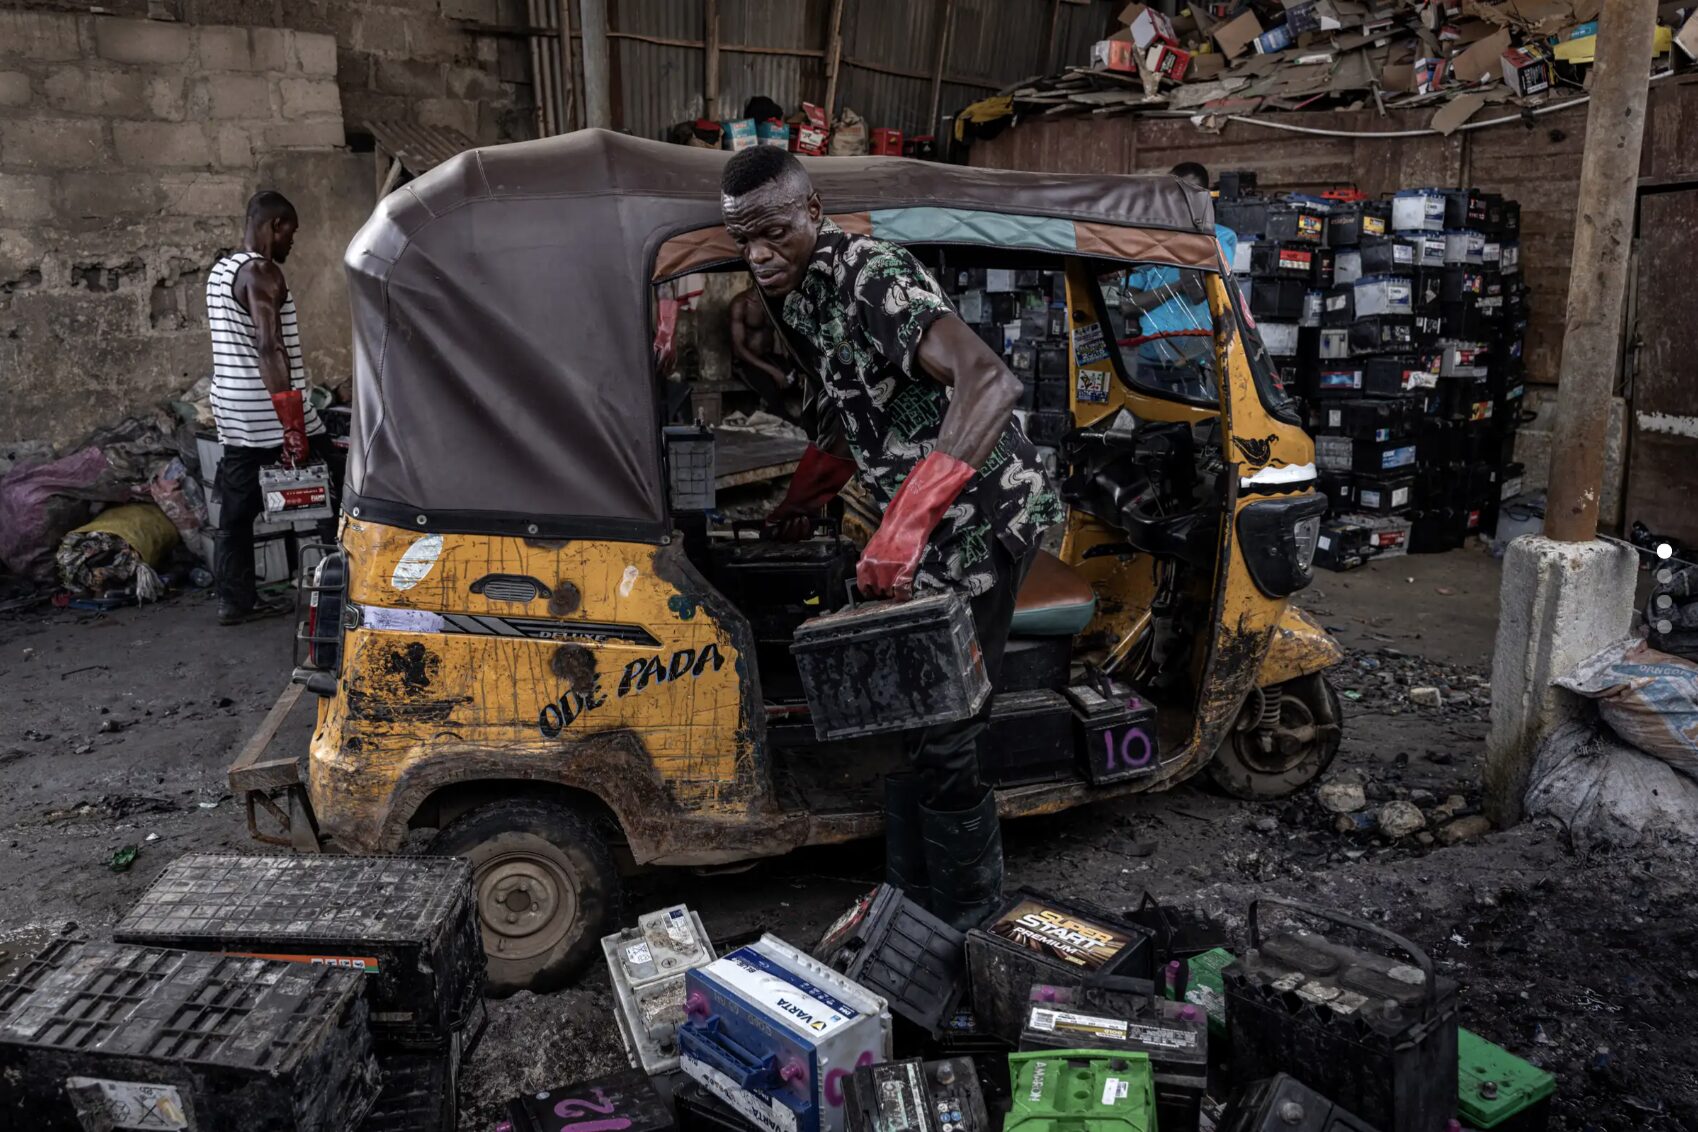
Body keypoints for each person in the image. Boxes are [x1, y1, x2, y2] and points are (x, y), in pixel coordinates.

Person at [720, 145, 1062, 930]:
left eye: (772, 232)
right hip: (922, 516)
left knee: (946, 725)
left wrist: (904, 526)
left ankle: (967, 926)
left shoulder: (870, 271)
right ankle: (914, 903)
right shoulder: (794, 294)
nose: (758, 254)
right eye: (744, 241)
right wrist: (805, 501)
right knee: (915, 712)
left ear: (812, 213)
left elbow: (991, 381)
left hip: (979, 515)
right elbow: (850, 413)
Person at [205, 190, 339, 626]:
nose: (292, 244)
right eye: (292, 233)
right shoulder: (263, 272)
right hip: (271, 408)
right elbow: (269, 347)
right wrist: (293, 425)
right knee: (335, 491)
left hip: (234, 409)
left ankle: (235, 602)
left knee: (237, 510)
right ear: (275, 226)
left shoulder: (221, 271)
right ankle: (345, 587)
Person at [1121, 161, 1238, 398]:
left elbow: (1197, 293)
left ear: (1204, 196)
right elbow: (1128, 306)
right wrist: (1175, 287)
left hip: (1198, 351)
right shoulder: (1149, 241)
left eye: (1189, 194)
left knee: (1198, 423)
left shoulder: (1220, 237)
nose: (1181, 201)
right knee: (1152, 422)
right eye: (1175, 194)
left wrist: (1194, 232)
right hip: (1151, 351)